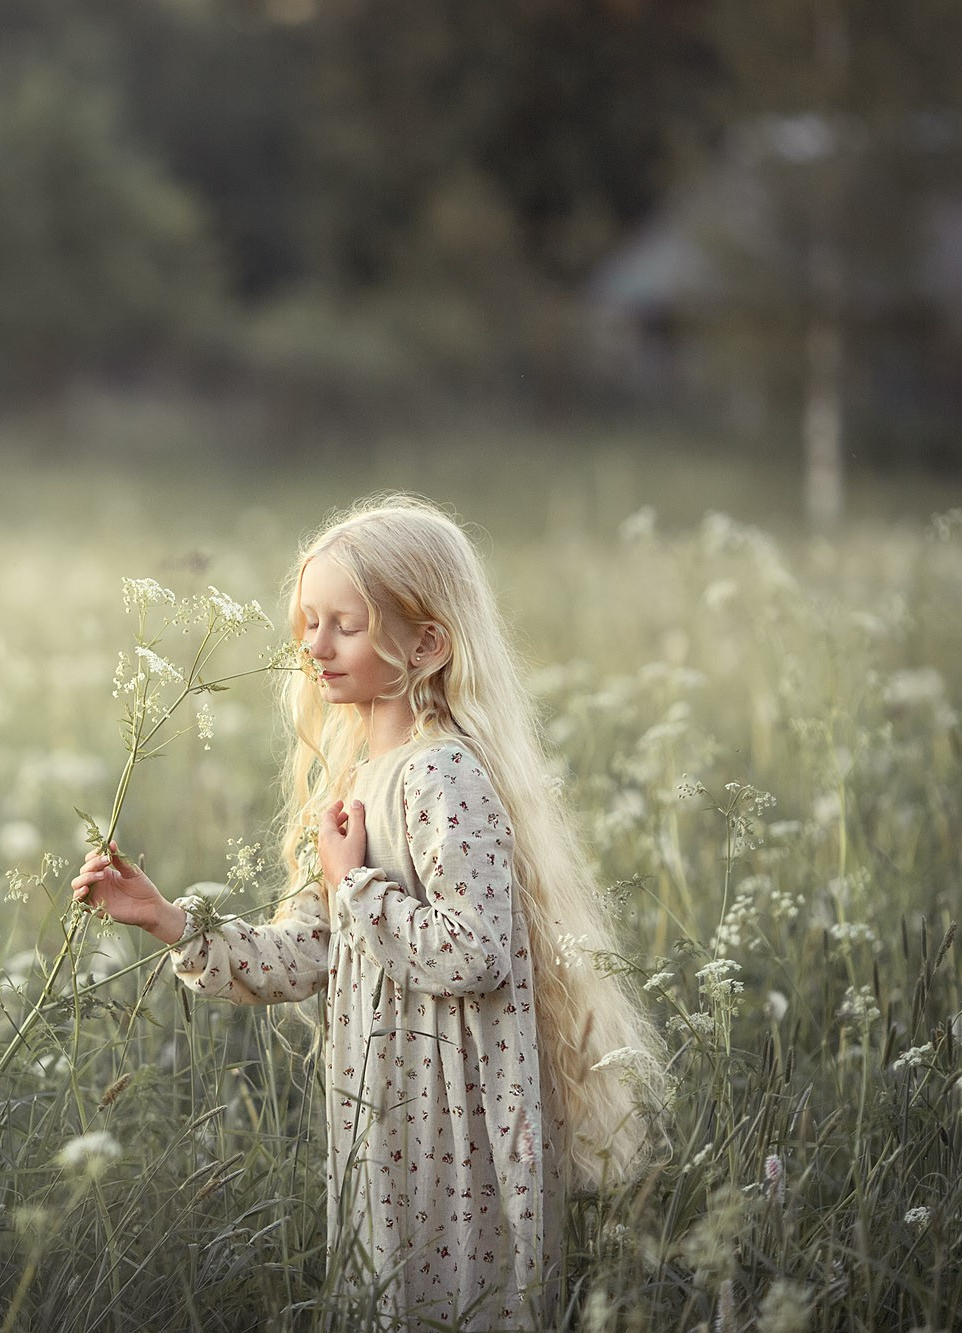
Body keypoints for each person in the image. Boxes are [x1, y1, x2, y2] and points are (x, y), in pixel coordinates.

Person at [71, 494, 669, 1332]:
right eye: (309, 622)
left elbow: (475, 953)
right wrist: (167, 918)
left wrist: (357, 885)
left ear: (425, 643)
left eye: (344, 625)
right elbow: (310, 953)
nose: (313, 645)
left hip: (451, 1130)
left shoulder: (442, 775)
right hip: (387, 1117)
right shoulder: (358, 778)